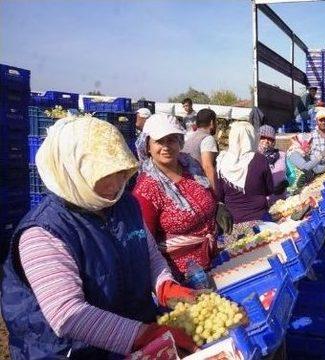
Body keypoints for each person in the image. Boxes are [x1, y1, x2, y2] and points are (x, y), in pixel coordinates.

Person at [0, 115, 199, 358]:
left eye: (121, 172)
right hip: (75, 352)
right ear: (74, 172)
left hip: (131, 339)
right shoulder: (42, 233)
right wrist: (143, 334)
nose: (116, 183)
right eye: (104, 174)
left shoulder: (125, 205)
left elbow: (149, 254)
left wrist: (164, 285)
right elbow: (68, 314)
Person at [133, 114, 218, 279]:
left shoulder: (191, 166)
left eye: (171, 139)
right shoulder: (147, 189)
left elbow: (208, 193)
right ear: (147, 146)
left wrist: (218, 206)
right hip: (183, 276)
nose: (166, 147)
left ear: (180, 142)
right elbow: (146, 246)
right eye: (159, 141)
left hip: (214, 260)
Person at [215, 121, 274, 244]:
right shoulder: (259, 159)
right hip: (260, 223)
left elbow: (219, 196)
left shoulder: (222, 162)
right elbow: (269, 189)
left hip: (233, 227)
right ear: (251, 137)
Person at [182, 108, 218, 191]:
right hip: (200, 186)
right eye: (216, 122)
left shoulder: (191, 136)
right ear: (212, 122)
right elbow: (207, 167)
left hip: (188, 184)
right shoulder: (207, 139)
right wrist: (215, 193)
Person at [258, 125, 287, 196]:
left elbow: (292, 175)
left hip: (281, 201)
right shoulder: (252, 157)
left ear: (274, 141)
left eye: (269, 138)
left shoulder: (282, 155)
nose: (266, 141)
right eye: (263, 137)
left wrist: (286, 183)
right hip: (261, 201)